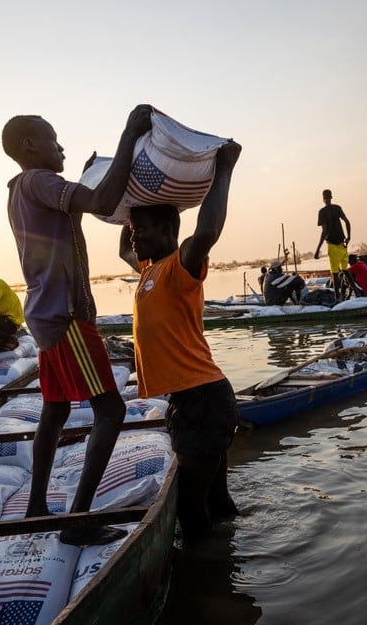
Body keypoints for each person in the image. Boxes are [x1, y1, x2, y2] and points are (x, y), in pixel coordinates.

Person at [2, 104, 153, 546]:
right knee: (111, 410)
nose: (61, 145)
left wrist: (88, 180)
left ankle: (35, 506)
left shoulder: (21, 188)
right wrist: (129, 135)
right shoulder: (40, 181)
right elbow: (103, 203)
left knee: (56, 409)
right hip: (67, 318)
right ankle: (77, 519)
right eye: (52, 138)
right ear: (30, 145)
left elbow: (85, 198)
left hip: (45, 316)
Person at [119, 141, 242, 542]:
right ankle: (232, 558)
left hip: (202, 400)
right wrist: (119, 188)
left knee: (192, 511)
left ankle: (211, 586)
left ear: (170, 231)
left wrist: (224, 168)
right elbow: (123, 245)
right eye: (135, 229)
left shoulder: (180, 267)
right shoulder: (149, 271)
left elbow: (207, 230)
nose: (136, 237)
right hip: (194, 399)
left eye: (144, 230)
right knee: (216, 503)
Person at [313, 189, 351, 300]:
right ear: (331, 197)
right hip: (342, 244)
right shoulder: (337, 208)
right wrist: (349, 237)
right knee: (345, 271)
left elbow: (324, 231)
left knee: (334, 273)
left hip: (333, 245)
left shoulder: (322, 212)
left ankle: (337, 298)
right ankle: (357, 292)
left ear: (323, 199)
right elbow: (347, 221)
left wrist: (317, 249)